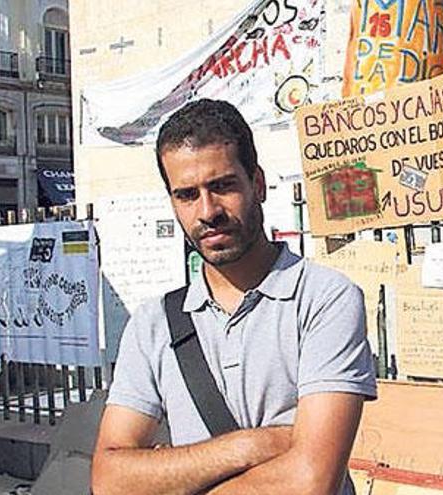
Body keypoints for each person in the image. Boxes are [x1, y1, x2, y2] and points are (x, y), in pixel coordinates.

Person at [92, 99, 377, 495]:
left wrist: (169, 477)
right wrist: (253, 445)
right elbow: (110, 480)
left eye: (222, 186)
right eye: (187, 195)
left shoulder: (324, 299)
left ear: (257, 184)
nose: (207, 211)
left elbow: (311, 481)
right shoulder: (153, 323)